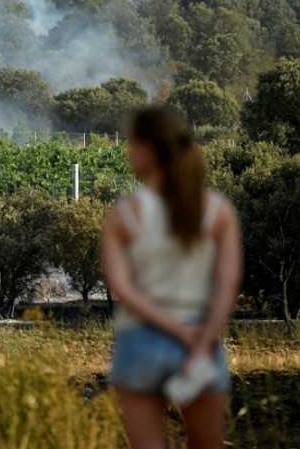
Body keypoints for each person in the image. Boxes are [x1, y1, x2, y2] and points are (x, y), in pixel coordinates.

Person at [101, 106, 242, 449]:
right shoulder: (218, 210)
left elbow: (122, 289)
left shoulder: (124, 214)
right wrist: (199, 337)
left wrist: (173, 329)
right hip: (200, 339)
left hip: (140, 340)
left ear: (148, 148)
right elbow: (227, 286)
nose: (127, 151)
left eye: (130, 143)